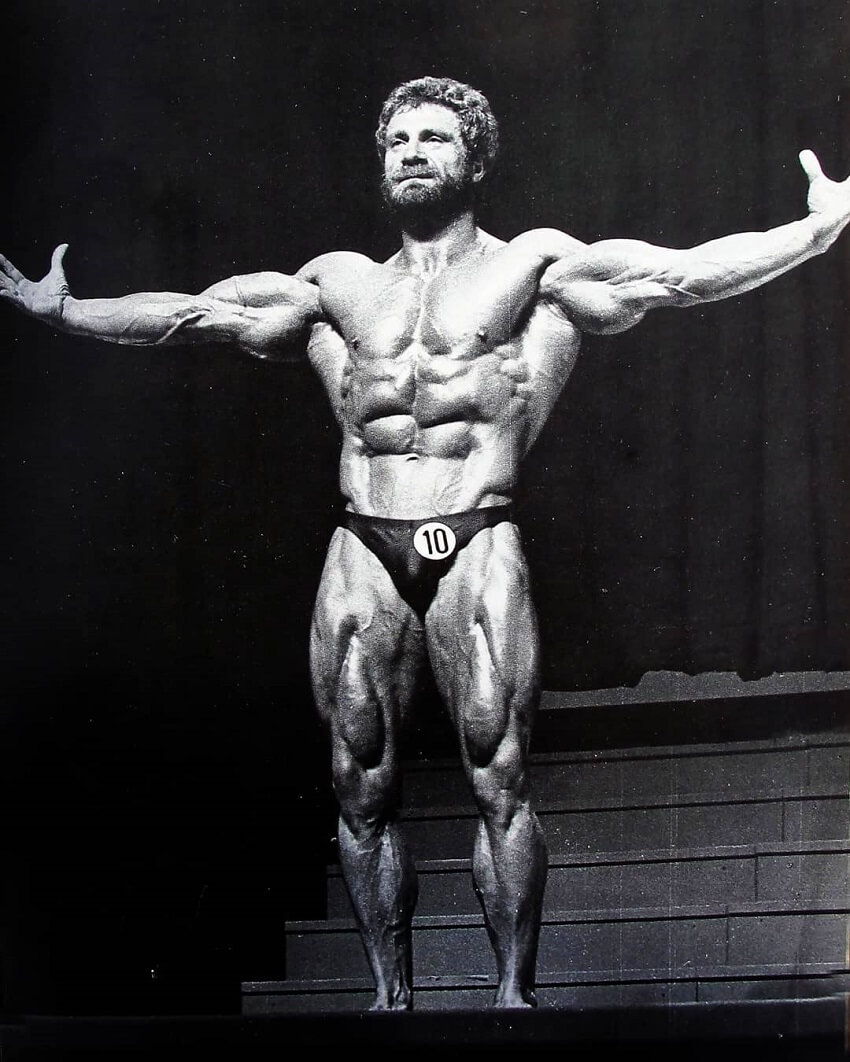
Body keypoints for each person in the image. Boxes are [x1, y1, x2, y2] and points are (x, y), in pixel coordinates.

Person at [2, 77, 849, 1011]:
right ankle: (386, 1001)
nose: (411, 151)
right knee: (357, 785)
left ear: (474, 158)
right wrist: (66, 312)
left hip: (477, 532)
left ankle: (512, 1000)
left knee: (501, 774)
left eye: (434, 138)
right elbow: (198, 313)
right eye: (398, 138)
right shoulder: (335, 285)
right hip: (363, 542)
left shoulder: (534, 268)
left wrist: (811, 233)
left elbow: (678, 276)